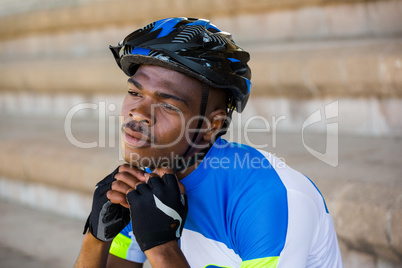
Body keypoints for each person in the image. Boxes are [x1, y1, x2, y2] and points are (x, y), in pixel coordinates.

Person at [74, 17, 343, 268]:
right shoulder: (143, 181)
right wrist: (97, 237)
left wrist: (162, 247)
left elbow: (162, 250)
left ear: (210, 125)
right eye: (134, 92)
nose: (138, 113)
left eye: (167, 105)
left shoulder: (266, 199)